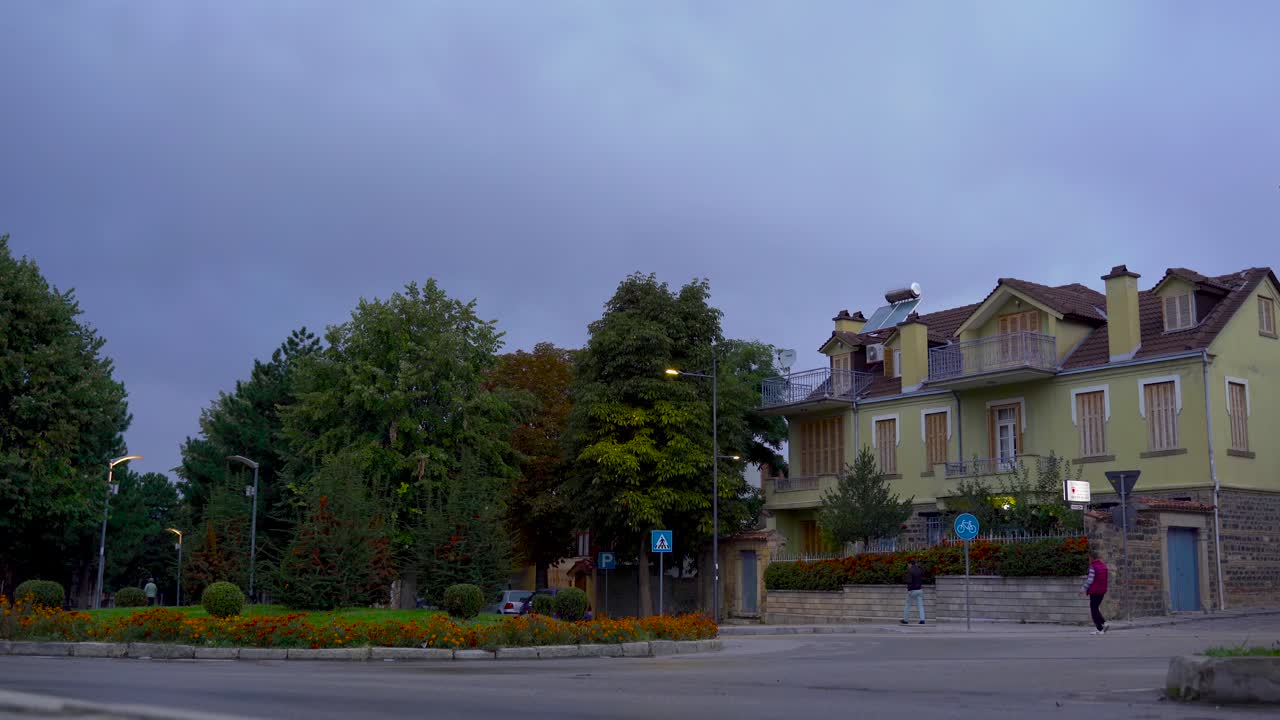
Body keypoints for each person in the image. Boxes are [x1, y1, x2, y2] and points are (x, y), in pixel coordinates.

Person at [1083, 550, 1109, 634]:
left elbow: (1090, 580)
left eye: (1089, 558)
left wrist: (1083, 588)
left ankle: (1100, 628)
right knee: (1095, 608)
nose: (1088, 559)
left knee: (1093, 609)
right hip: (1102, 591)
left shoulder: (1093, 567)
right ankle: (1103, 624)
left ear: (1091, 558)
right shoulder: (1103, 566)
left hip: (1094, 591)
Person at [901, 559, 925, 625]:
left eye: (908, 565)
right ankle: (922, 620)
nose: (908, 566)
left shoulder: (910, 570)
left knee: (908, 605)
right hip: (919, 590)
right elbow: (922, 578)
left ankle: (905, 620)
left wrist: (909, 590)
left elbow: (909, 581)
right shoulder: (919, 570)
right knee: (920, 606)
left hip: (912, 590)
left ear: (910, 564)